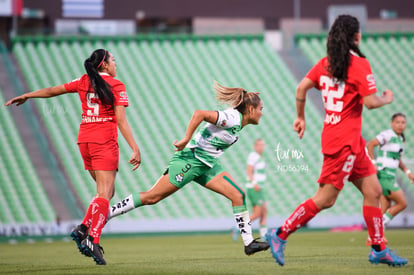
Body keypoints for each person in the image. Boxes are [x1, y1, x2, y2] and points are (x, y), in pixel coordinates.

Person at [265, 15, 408, 267]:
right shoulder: (358, 64)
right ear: (356, 36)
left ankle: (378, 248)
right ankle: (279, 234)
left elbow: (301, 88)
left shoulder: (327, 63)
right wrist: (387, 97)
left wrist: (301, 117)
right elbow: (372, 102)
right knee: (326, 199)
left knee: (373, 191)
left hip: (346, 139)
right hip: (344, 143)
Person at [5, 49, 141, 265]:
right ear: (104, 65)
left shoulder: (84, 81)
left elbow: (52, 91)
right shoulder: (117, 85)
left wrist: (28, 95)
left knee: (105, 192)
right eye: (113, 60)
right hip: (104, 139)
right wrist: (135, 147)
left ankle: (83, 228)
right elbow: (121, 121)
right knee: (105, 193)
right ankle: (92, 238)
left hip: (85, 140)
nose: (116, 64)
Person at [107, 81, 269, 256]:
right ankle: (105, 215)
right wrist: (185, 139)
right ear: (251, 109)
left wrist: (251, 97)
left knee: (238, 195)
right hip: (190, 160)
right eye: (260, 108)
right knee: (152, 197)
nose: (262, 112)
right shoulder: (232, 118)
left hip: (207, 164)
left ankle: (249, 243)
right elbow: (199, 114)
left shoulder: (238, 118)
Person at [365, 112, 414, 245]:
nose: (400, 125)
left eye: (403, 122)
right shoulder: (388, 135)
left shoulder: (399, 141)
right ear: (392, 123)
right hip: (384, 174)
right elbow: (370, 144)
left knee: (385, 207)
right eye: (397, 122)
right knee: (402, 203)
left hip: (390, 175)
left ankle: (373, 237)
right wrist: (373, 163)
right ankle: (378, 232)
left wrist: (408, 172)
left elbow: (398, 160)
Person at [246, 139, 267, 240]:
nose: (262, 147)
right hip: (254, 188)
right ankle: (238, 227)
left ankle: (264, 236)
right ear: (255, 146)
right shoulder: (253, 156)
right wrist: (254, 184)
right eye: (259, 145)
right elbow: (249, 171)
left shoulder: (260, 157)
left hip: (260, 188)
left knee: (264, 212)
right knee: (258, 213)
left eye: (263, 145)